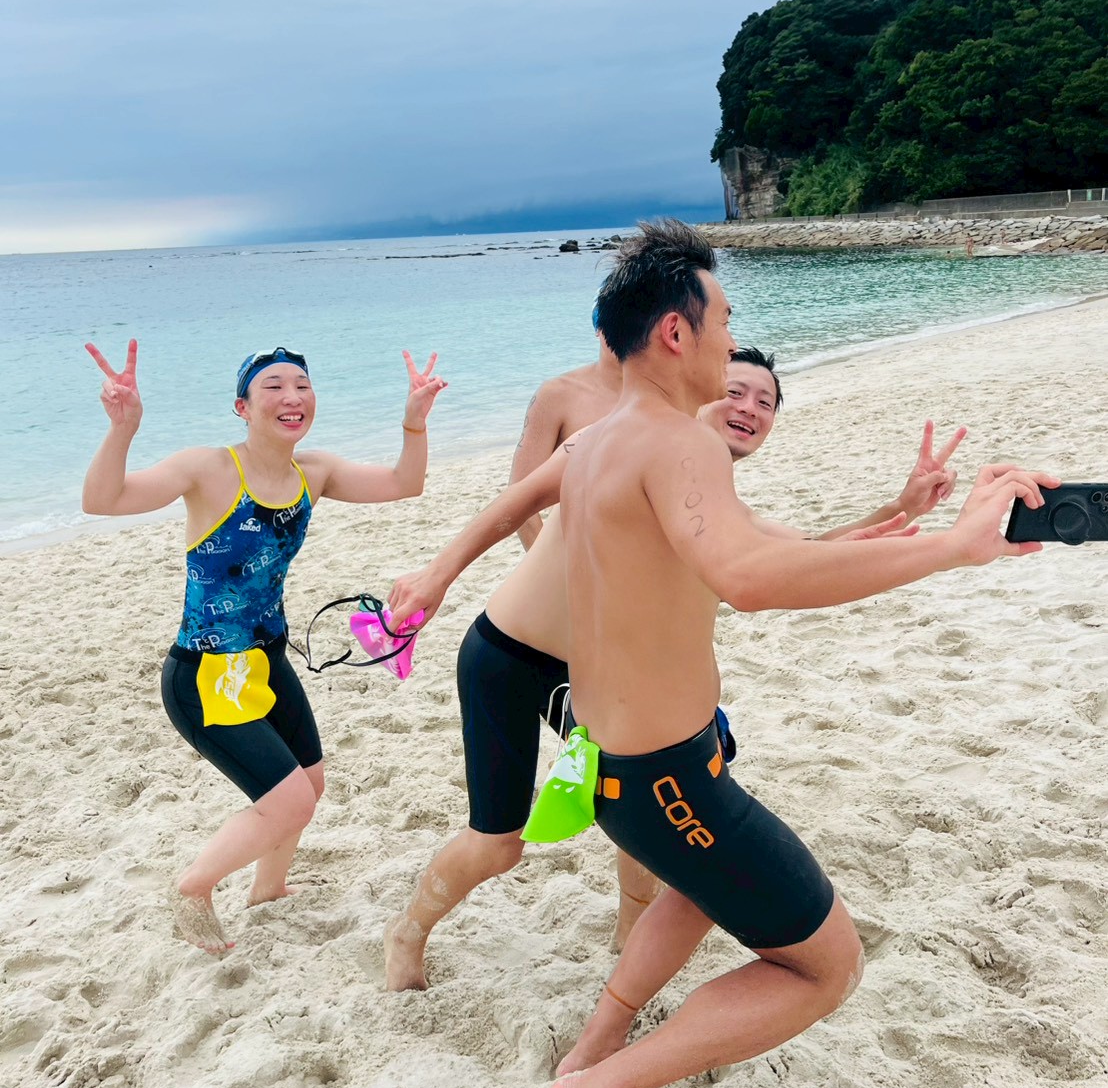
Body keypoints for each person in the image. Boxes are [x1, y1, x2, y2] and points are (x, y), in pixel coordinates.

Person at [543, 219, 1053, 1088]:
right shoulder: (679, 445)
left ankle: (591, 1047)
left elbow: (765, 548)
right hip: (666, 779)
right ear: (676, 333)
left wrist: (910, 518)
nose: (734, 342)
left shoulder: (601, 442)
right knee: (826, 965)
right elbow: (749, 578)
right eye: (726, 320)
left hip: (606, 761)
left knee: (700, 888)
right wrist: (952, 549)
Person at [383, 342, 963, 989]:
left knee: (643, 798)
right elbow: (514, 502)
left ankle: (630, 935)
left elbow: (803, 553)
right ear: (702, 386)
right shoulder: (616, 441)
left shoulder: (722, 509)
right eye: (735, 390)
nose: (749, 408)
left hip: (595, 675)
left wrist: (903, 508)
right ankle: (408, 931)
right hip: (508, 657)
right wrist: (436, 575)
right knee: (497, 844)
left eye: (765, 402)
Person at [82, 340, 446, 956]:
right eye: (273, 386)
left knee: (311, 783)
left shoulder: (314, 473)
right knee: (287, 802)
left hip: (268, 659)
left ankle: (268, 889)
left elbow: (405, 484)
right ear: (242, 407)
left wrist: (414, 421)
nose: (291, 396)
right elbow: (101, 500)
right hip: (205, 671)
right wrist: (123, 430)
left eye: (301, 385)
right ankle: (193, 888)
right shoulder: (208, 469)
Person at [508, 332, 622, 548]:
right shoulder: (558, 395)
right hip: (583, 555)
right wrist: (546, 562)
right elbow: (518, 497)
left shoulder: (677, 392)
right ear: (598, 327)